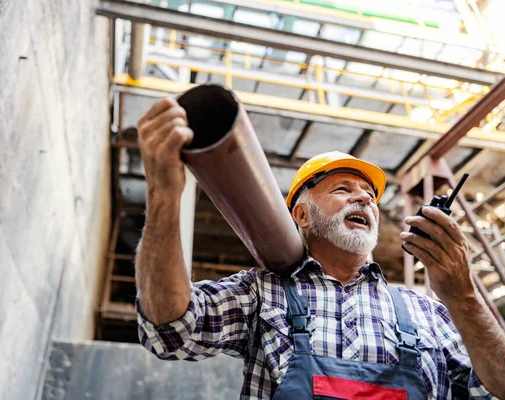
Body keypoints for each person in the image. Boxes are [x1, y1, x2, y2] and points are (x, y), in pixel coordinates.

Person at [133, 97, 505, 399]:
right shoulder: (263, 293)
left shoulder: (427, 313)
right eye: (343, 189)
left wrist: (464, 296)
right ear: (302, 215)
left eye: (369, 196)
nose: (362, 199)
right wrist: (164, 194)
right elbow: (170, 332)